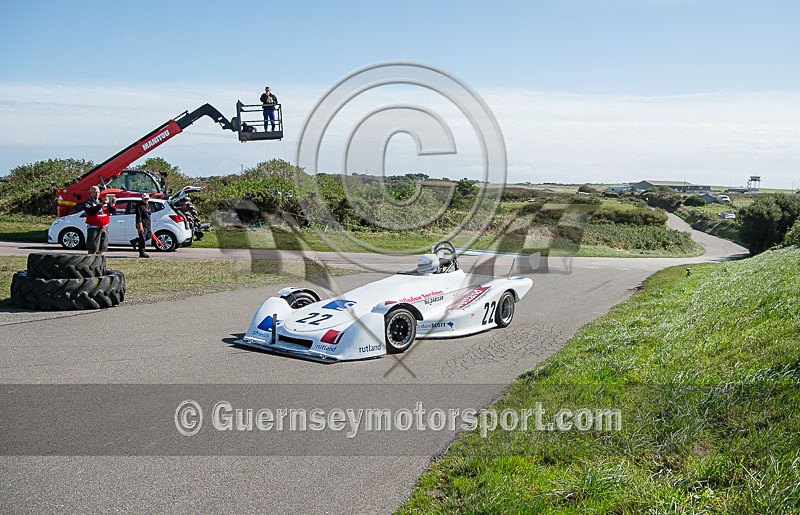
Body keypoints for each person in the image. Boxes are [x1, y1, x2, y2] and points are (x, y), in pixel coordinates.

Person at [83, 186, 116, 255]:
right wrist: (101, 205)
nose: (97, 194)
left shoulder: (103, 201)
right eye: (95, 192)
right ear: (91, 193)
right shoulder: (88, 203)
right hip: (93, 228)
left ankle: (99, 262)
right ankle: (91, 262)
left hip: (104, 227)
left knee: (102, 247)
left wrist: (112, 204)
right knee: (93, 248)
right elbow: (91, 211)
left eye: (98, 192)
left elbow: (112, 211)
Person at [133, 193, 152, 258]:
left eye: (147, 199)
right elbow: (139, 216)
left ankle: (135, 241)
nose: (146, 200)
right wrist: (140, 226)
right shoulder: (139, 206)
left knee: (149, 236)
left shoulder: (147, 205)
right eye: (145, 198)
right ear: (142, 198)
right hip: (142, 224)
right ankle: (142, 252)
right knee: (142, 238)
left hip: (147, 224)